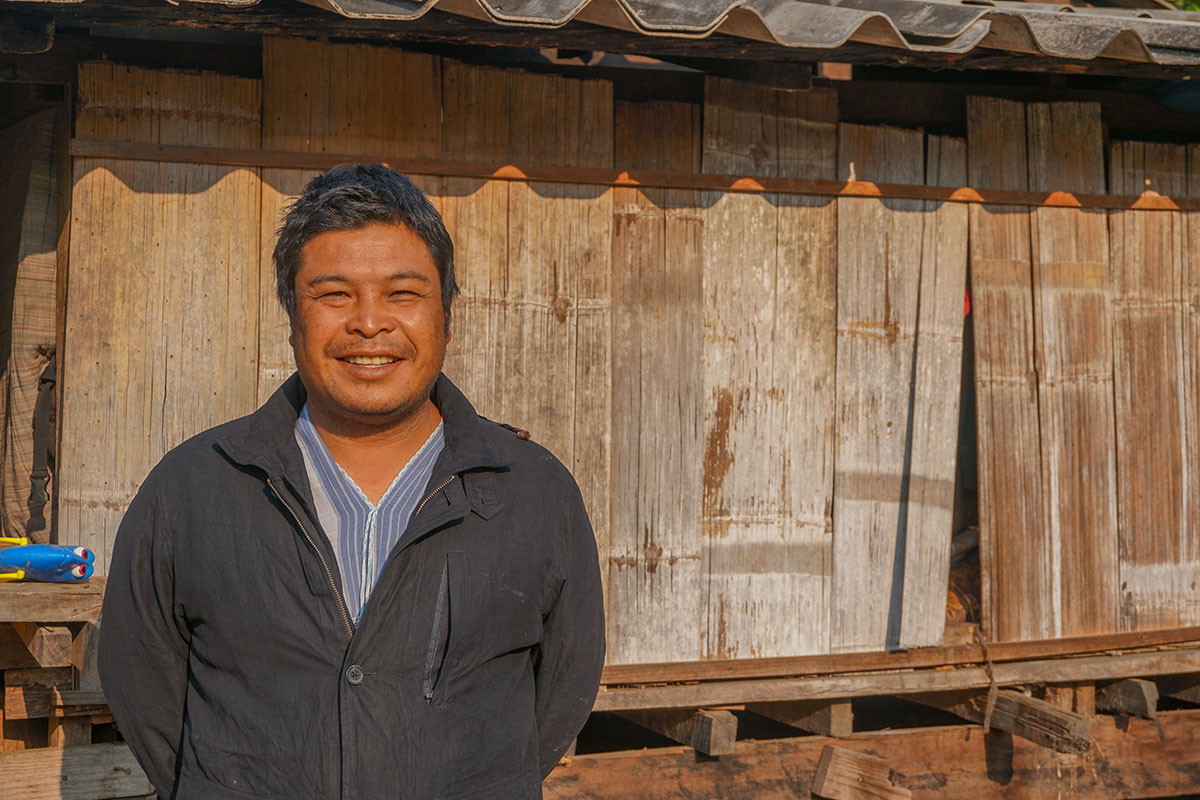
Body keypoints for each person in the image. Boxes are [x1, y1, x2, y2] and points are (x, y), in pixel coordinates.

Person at [98, 163, 606, 799]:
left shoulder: (532, 493)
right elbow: (142, 683)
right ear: (292, 315)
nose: (370, 324)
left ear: (448, 311)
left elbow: (561, 689)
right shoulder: (194, 490)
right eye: (334, 295)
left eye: (403, 294)